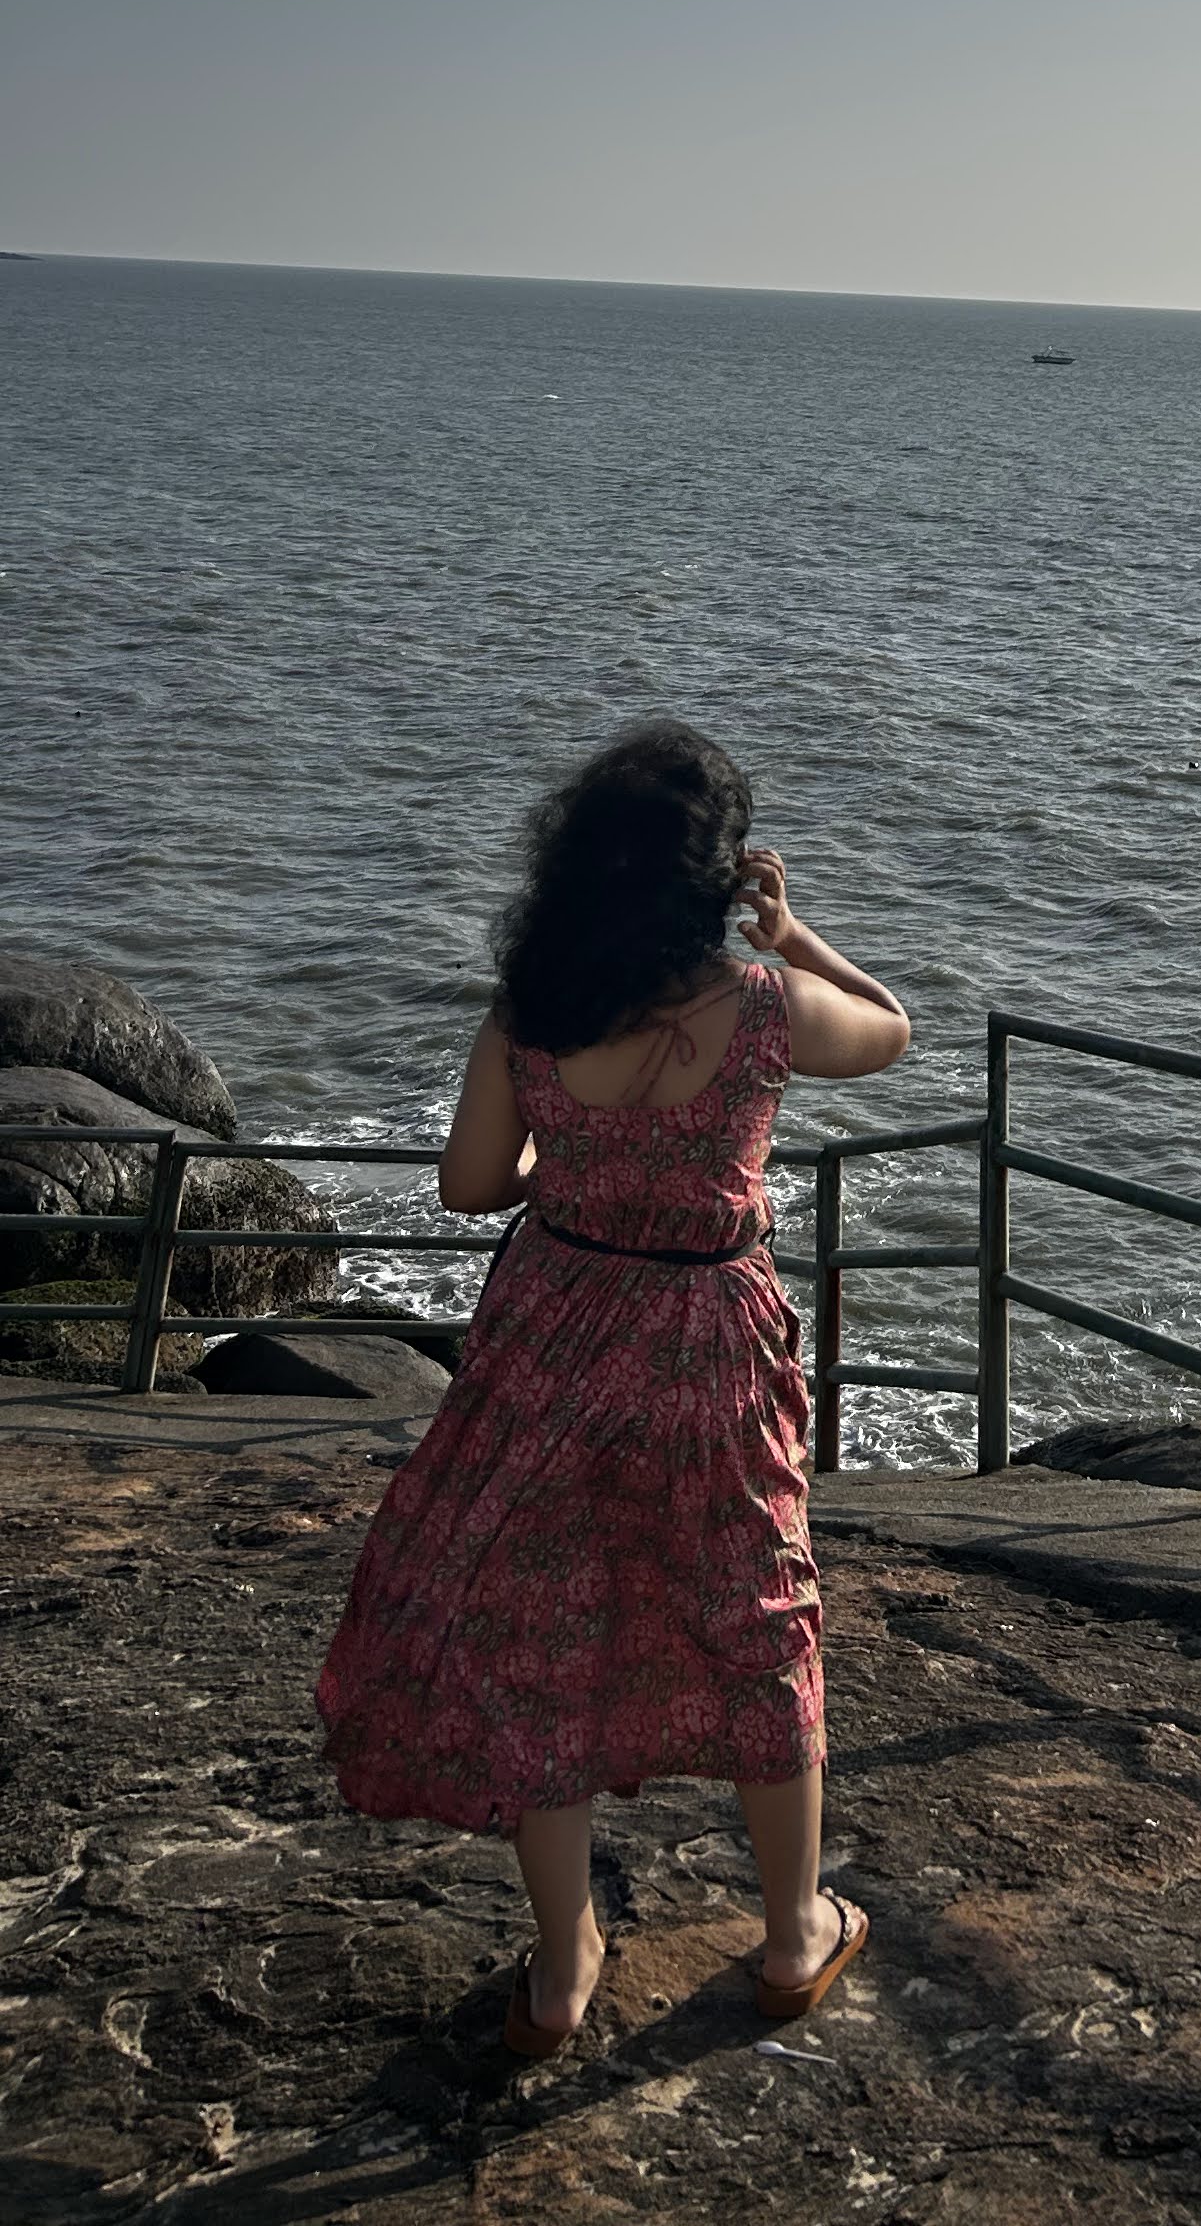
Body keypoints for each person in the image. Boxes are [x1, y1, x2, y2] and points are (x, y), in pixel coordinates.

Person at [316, 719, 911, 2057]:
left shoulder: (530, 1011)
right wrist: (795, 936)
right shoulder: (764, 1010)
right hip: (712, 1338)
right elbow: (893, 1030)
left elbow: (470, 1186)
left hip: (556, 1327)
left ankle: (563, 1966)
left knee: (543, 1628)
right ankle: (792, 1934)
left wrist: (573, 1166)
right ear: (712, 878)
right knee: (758, 1609)